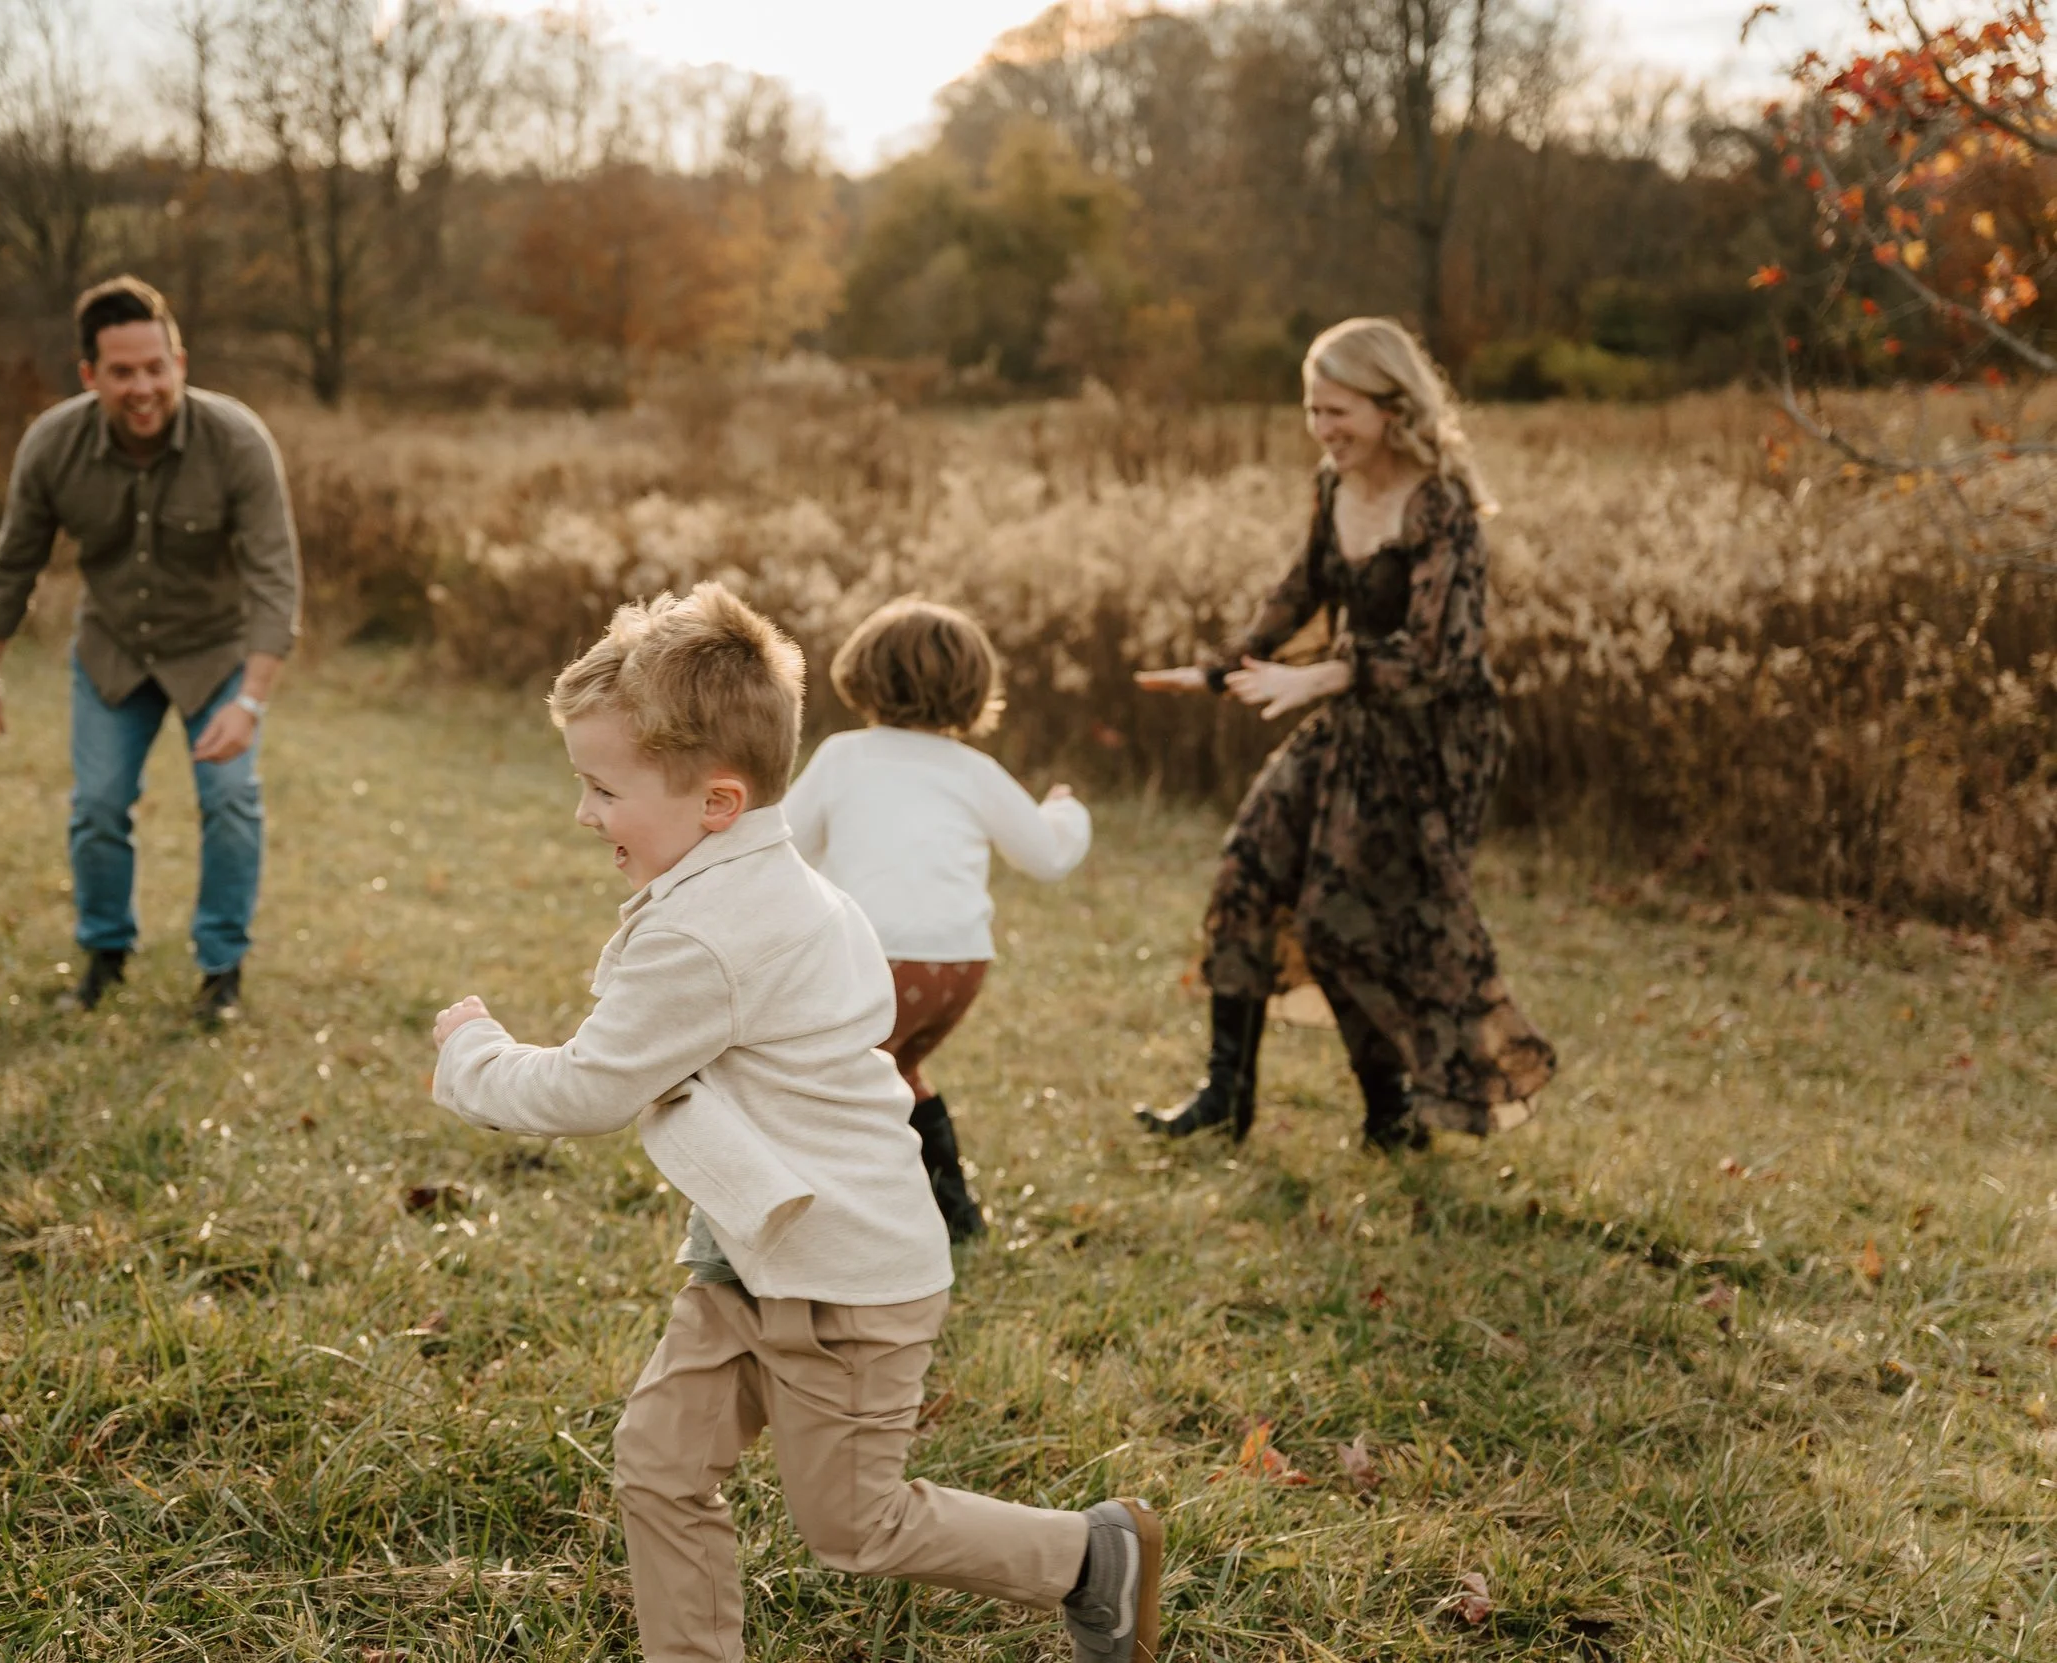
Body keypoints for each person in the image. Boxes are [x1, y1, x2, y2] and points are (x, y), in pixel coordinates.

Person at [429, 585, 1162, 1663]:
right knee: (660, 1463)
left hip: (847, 1282)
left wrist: (471, 1050)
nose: (583, 813)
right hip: (746, 1259)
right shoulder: (767, 881)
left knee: (853, 1525)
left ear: (718, 800)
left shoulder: (718, 929)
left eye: (600, 787)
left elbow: (587, 1089)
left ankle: (1089, 1558)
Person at [1135, 317, 1554, 1149]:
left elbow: (1444, 655)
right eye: (1313, 411)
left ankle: (1393, 1113)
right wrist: (1227, 666)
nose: (1325, 430)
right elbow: (1304, 589)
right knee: (1247, 868)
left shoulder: (1443, 507)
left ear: (1394, 406)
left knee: (1341, 918)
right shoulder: (1334, 485)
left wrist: (1323, 675)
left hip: (1436, 742)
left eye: (1340, 412)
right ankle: (1227, 1097)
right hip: (1355, 723)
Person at [0, 275, 301, 1024]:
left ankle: (221, 972)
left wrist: (250, 700)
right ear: (90, 375)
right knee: (98, 807)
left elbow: (276, 580)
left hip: (216, 657)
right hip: (112, 654)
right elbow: (12, 562)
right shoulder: (54, 443)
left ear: (179, 360)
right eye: (123, 371)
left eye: (157, 367)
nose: (143, 386)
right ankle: (105, 954)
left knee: (231, 802)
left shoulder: (236, 440)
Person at [783, 597, 1091, 1241]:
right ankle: (955, 1213)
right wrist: (1065, 811)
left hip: (873, 959)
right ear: (974, 690)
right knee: (894, 1071)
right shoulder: (974, 771)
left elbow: (784, 848)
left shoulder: (843, 757)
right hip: (958, 966)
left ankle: (838, 1213)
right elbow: (1048, 856)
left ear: (862, 673)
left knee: (826, 1082)